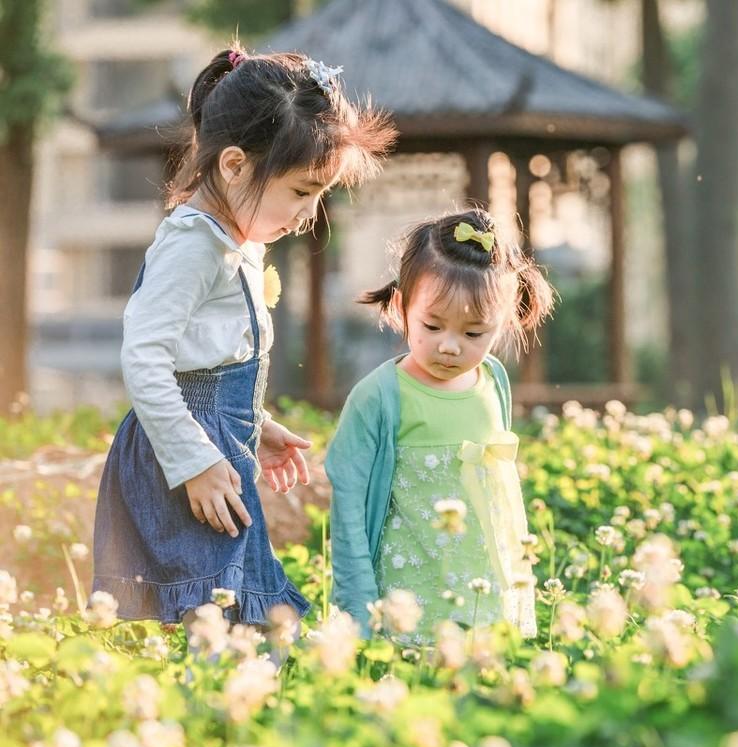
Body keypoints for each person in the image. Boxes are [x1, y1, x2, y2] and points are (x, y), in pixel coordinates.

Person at [92, 46, 395, 643]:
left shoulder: (233, 241)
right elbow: (145, 360)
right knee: (226, 616)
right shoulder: (192, 245)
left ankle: (231, 714)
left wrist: (255, 423)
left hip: (216, 444)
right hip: (182, 455)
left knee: (238, 615)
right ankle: (220, 719)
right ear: (234, 165)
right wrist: (195, 461)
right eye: (302, 191)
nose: (309, 214)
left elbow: (211, 357)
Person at [327, 209, 555, 642]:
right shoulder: (379, 396)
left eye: (474, 334)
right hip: (408, 598)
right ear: (400, 307)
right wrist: (359, 602)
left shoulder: (494, 380)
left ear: (503, 324)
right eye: (432, 326)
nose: (450, 347)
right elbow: (350, 504)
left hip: (481, 592)